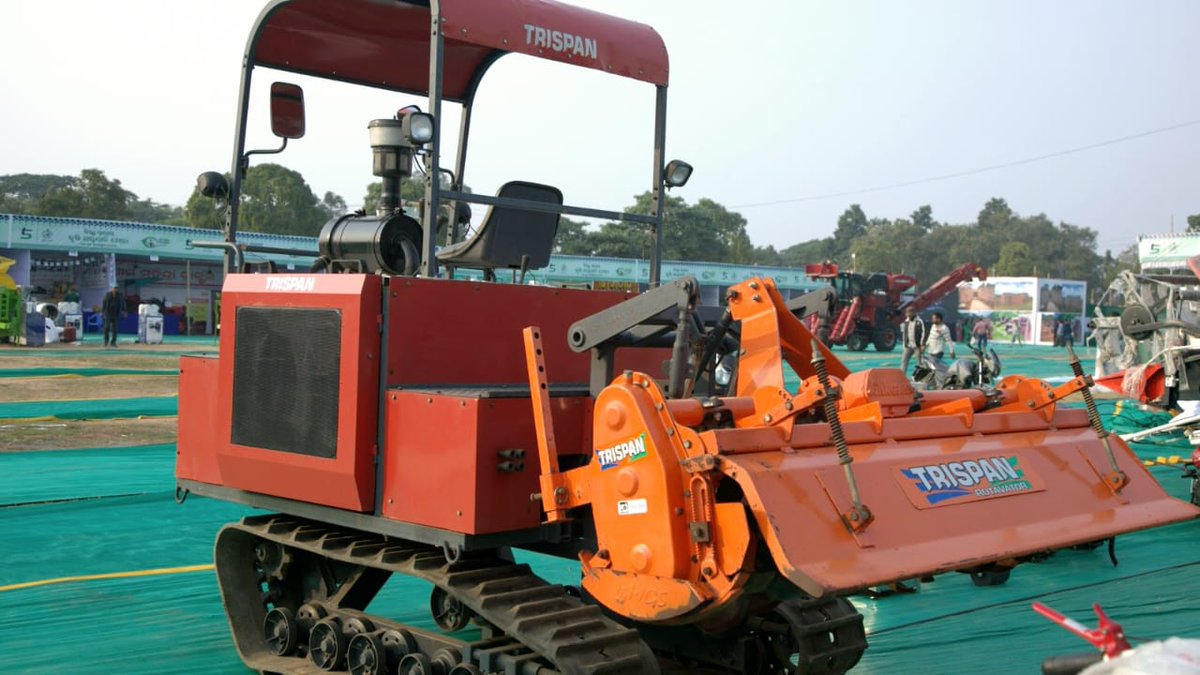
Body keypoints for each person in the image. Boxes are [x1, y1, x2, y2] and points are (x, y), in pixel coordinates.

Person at [900, 306, 926, 376]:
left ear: (914, 312)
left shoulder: (919, 321)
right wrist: (904, 345)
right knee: (904, 361)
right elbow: (904, 334)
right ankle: (902, 376)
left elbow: (924, 332)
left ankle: (921, 377)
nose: (908, 314)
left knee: (920, 362)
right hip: (908, 346)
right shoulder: (906, 322)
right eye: (907, 312)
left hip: (917, 346)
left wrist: (922, 344)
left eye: (910, 312)